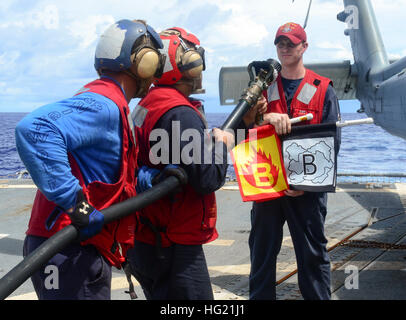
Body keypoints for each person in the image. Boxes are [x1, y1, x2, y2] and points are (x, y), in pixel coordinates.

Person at [14, 19, 165, 300]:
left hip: (76, 247)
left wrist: (151, 179)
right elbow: (33, 129)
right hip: (67, 249)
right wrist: (76, 204)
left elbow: (108, 172)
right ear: (144, 62)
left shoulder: (107, 100)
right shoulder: (104, 104)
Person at [125, 27, 240, 300]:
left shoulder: (147, 104)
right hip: (174, 246)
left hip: (146, 238)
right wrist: (222, 145)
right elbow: (207, 180)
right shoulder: (180, 113)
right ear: (187, 63)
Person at [247, 22, 341, 300]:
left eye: (291, 43)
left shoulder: (323, 89)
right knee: (261, 256)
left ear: (304, 47)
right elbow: (243, 132)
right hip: (268, 187)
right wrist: (263, 117)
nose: (285, 48)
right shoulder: (260, 89)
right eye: (280, 43)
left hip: (306, 193)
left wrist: (307, 185)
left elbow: (332, 144)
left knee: (313, 258)